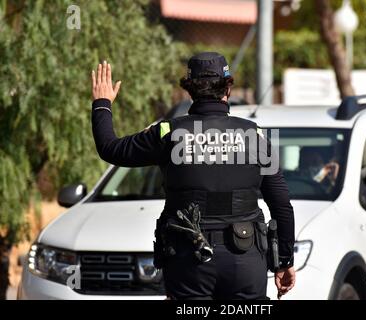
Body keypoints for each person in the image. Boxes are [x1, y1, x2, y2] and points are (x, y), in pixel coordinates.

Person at [90, 53, 295, 300]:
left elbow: (110, 149)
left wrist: (102, 103)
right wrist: (284, 260)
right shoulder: (256, 135)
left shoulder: (168, 132)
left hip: (189, 261)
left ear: (190, 90)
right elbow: (281, 205)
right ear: (228, 87)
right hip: (245, 260)